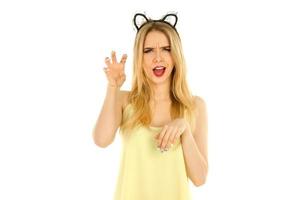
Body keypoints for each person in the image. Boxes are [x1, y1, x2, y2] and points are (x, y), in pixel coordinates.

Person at [93, 12, 208, 200]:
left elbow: (200, 178)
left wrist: (184, 128)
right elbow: (101, 140)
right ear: (140, 58)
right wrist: (113, 87)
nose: (158, 58)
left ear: (176, 55)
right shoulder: (124, 100)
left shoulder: (195, 106)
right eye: (148, 51)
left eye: (166, 49)